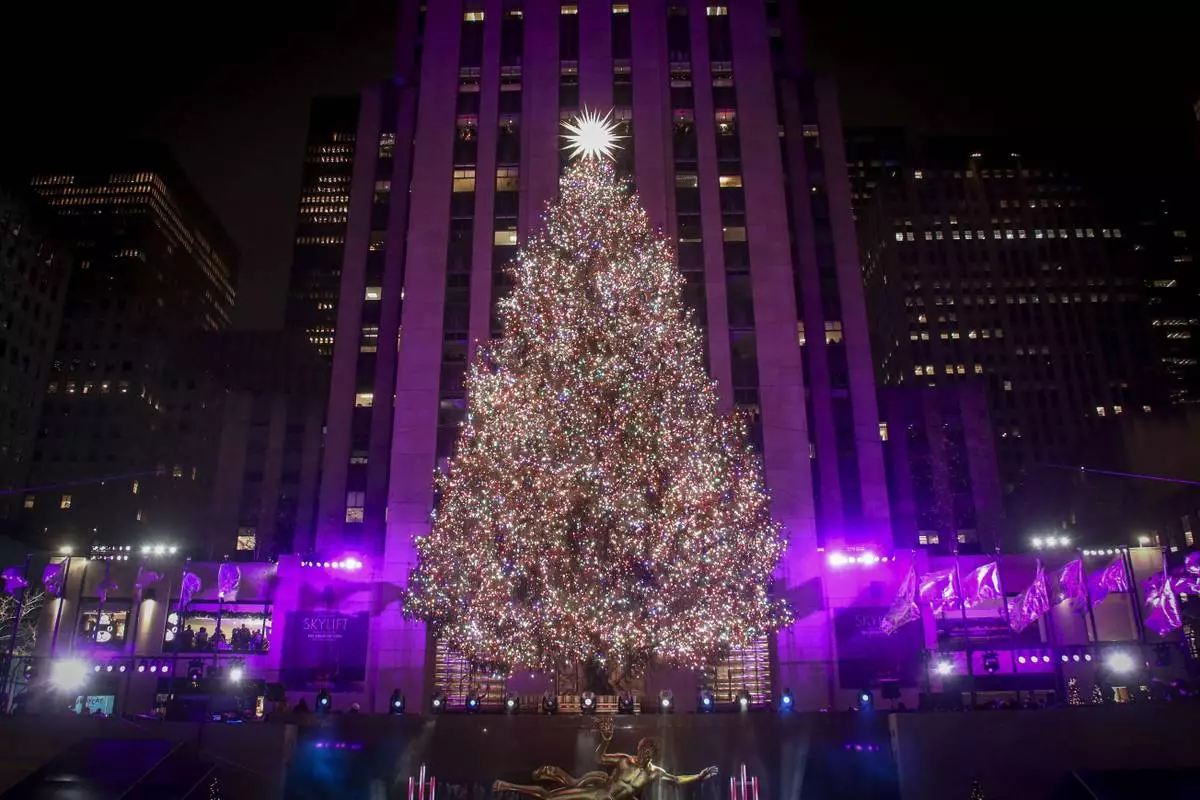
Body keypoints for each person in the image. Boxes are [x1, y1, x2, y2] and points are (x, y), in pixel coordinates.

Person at [493, 721, 717, 800]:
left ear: (652, 755)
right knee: (551, 797)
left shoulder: (654, 772)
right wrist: (606, 740)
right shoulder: (624, 761)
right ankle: (508, 785)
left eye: (647, 753)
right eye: (641, 750)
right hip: (598, 795)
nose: (642, 755)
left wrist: (699, 775)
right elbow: (599, 757)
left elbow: (677, 779)